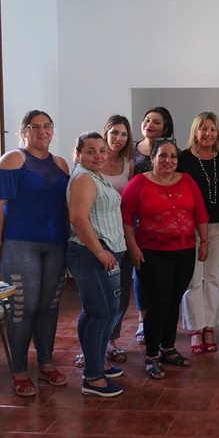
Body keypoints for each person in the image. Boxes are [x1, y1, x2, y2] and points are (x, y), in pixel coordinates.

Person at [0, 110, 70, 397]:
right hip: (20, 245)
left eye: (47, 126)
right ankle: (19, 370)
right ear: (24, 132)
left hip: (56, 244)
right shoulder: (13, 159)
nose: (42, 131)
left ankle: (45, 363)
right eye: (35, 127)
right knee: (23, 308)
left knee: (49, 306)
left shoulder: (60, 164)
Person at [122, 138, 209, 379]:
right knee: (159, 303)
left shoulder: (188, 181)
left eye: (173, 156)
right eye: (163, 156)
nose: (168, 160)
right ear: (152, 159)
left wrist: (205, 242)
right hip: (152, 252)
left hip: (184, 252)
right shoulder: (139, 183)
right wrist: (132, 247)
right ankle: (151, 355)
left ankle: (168, 347)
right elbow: (127, 216)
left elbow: (201, 213)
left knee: (173, 300)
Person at [66, 132, 128, 397]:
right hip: (91, 254)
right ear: (79, 153)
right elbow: (79, 219)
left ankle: (98, 362)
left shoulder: (95, 176)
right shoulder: (83, 179)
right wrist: (100, 252)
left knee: (93, 312)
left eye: (102, 150)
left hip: (101, 252)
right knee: (103, 314)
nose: (98, 155)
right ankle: (93, 377)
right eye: (91, 151)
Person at [178, 112, 219, 354]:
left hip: (218, 224)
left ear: (218, 133)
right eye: (204, 129)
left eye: (213, 129)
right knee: (192, 278)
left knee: (213, 278)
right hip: (191, 226)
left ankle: (209, 326)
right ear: (196, 132)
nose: (208, 133)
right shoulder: (183, 159)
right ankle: (194, 329)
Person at [130, 107, 174, 345]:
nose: (149, 124)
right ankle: (141, 320)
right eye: (146, 120)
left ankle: (163, 320)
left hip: (164, 217)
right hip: (137, 217)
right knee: (141, 271)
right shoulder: (131, 149)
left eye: (156, 122)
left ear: (165, 128)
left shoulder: (170, 150)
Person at [98, 115, 134, 365]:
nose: (119, 138)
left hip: (121, 236)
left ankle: (111, 341)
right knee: (96, 295)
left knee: (121, 293)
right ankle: (90, 346)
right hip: (94, 237)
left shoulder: (128, 166)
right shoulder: (92, 162)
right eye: (114, 133)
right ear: (105, 134)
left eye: (123, 134)